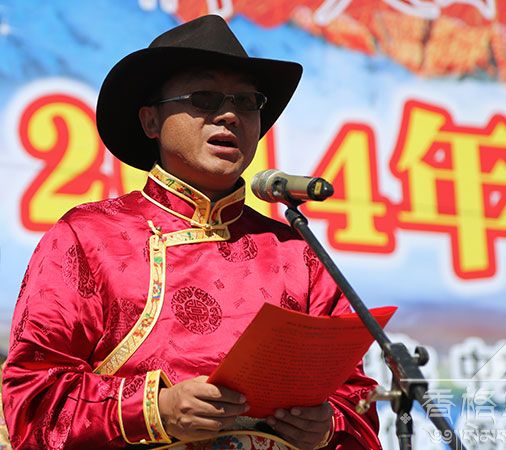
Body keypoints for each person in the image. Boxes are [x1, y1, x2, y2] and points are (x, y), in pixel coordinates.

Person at [1, 15, 381, 450]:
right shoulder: (88, 237)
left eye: (246, 101)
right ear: (151, 121)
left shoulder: (296, 252)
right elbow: (33, 400)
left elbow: (358, 401)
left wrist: (327, 425)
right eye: (204, 98)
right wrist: (157, 410)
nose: (229, 115)